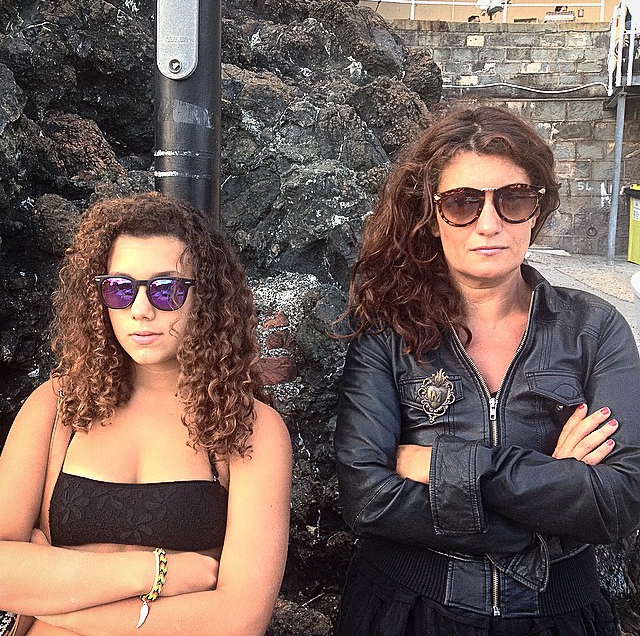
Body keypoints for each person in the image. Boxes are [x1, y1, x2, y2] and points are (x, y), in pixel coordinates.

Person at [334, 105, 640, 636]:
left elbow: (618, 501)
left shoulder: (595, 329)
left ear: (536, 210)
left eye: (513, 199)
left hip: (558, 616)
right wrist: (548, 498)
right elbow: (368, 499)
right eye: (462, 203)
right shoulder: (388, 332)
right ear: (432, 216)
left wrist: (449, 468)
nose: (489, 223)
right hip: (408, 611)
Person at [0, 192, 292, 636]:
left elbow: (239, 620)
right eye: (119, 288)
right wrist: (161, 571)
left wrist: (50, 596)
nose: (141, 309)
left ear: (206, 298)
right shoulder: (57, 407)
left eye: (167, 289)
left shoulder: (249, 427)